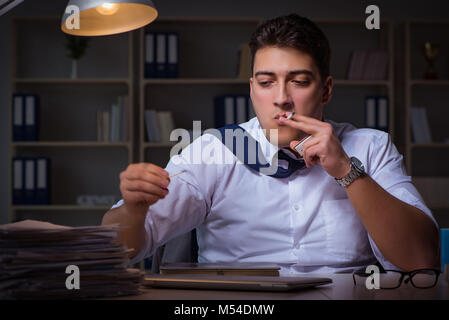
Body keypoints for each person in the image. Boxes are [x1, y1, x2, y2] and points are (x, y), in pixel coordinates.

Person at [102, 14, 440, 273]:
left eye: (299, 82)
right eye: (266, 83)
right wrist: (133, 211)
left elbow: (422, 260)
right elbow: (117, 252)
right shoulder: (213, 150)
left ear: (326, 89)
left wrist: (346, 171)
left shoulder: (371, 148)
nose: (281, 99)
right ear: (251, 89)